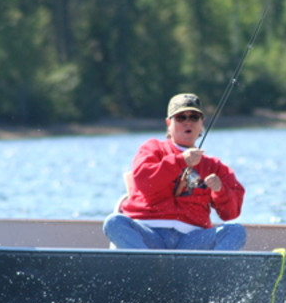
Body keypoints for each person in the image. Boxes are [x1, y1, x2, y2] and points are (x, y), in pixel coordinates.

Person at [103, 93, 246, 250]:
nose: (188, 123)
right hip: (149, 233)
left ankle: (208, 272)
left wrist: (220, 190)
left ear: (201, 123)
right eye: (181, 118)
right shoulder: (152, 148)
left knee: (236, 231)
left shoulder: (214, 166)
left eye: (193, 117)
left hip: (192, 239)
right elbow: (144, 183)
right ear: (168, 123)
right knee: (113, 222)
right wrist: (180, 161)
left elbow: (230, 214)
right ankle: (146, 266)